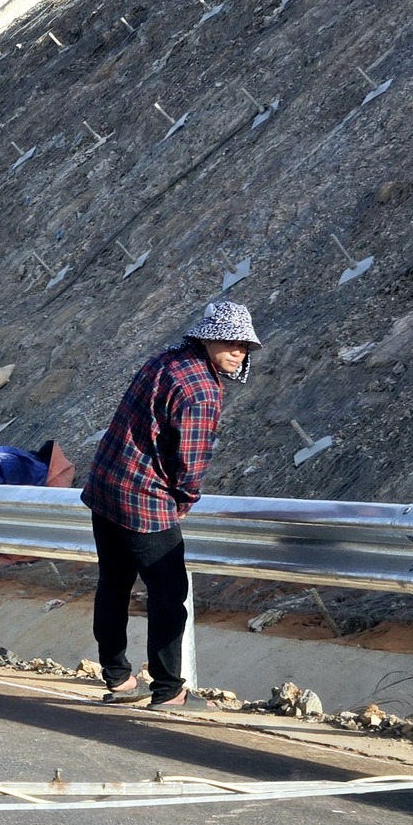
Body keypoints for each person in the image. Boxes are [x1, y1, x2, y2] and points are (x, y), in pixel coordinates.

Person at [81, 301, 260, 710]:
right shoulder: (202, 390)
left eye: (245, 345)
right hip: (145, 498)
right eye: (230, 341)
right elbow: (191, 460)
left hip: (107, 486)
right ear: (208, 337)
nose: (239, 351)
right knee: (168, 592)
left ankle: (119, 677)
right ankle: (168, 689)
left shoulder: (165, 361)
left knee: (114, 581)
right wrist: (185, 499)